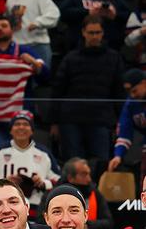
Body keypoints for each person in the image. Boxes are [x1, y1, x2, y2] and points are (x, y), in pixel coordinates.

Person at [51, 17, 124, 162]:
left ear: (103, 33)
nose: (95, 36)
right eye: (91, 33)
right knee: (72, 163)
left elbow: (119, 92)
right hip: (71, 119)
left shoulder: (114, 58)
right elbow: (57, 91)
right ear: (83, 32)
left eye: (98, 32)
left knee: (101, 162)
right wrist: (54, 122)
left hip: (101, 119)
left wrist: (120, 122)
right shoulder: (70, 58)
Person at [0, 110, 58, 211]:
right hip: (4, 207)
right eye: (17, 124)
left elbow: (59, 181)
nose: (21, 127)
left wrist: (42, 183)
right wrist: (3, 183)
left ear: (32, 130)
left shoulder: (44, 153)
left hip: (37, 209)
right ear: (10, 130)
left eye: (25, 124)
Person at [6, 0, 60, 69]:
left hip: (38, 45)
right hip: (17, 46)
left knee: (41, 78)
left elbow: (54, 13)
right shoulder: (9, 1)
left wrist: (38, 23)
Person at [61, 157, 114, 229]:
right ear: (70, 178)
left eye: (89, 174)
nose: (89, 179)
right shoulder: (55, 195)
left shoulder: (95, 193)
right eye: (84, 174)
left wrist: (87, 225)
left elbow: (108, 223)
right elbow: (42, 221)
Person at [111, 67, 146, 173]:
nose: (132, 95)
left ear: (144, 83)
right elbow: (124, 131)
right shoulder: (131, 103)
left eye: (135, 91)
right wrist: (118, 155)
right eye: (130, 92)